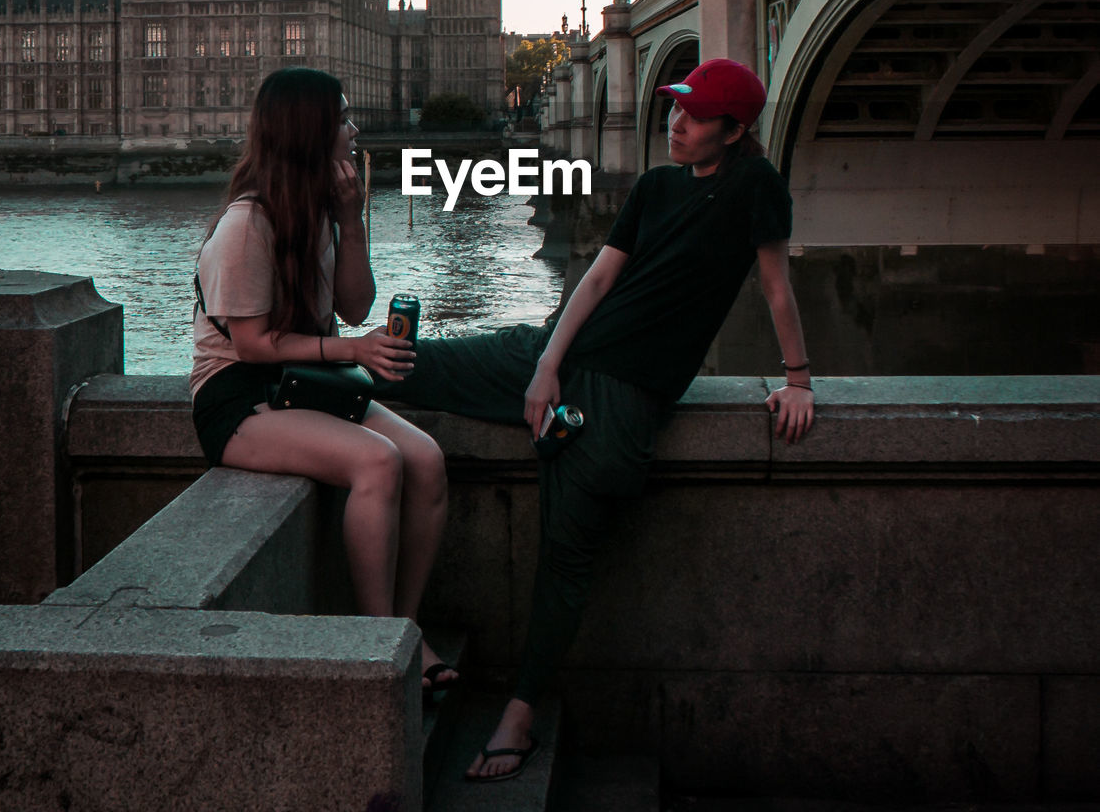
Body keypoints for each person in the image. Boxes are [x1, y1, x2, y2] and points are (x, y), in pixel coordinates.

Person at [385, 57, 814, 782]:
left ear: (733, 129)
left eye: (692, 114)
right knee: (413, 363)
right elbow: (597, 277)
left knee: (563, 561)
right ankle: (290, 373)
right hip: (553, 351)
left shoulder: (754, 187)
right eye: (673, 109)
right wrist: (548, 359)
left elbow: (776, 288)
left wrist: (797, 379)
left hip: (620, 395)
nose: (674, 122)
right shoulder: (652, 186)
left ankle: (519, 715)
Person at [190, 67, 453, 697]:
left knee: (428, 461)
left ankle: (406, 631)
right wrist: (354, 349)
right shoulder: (245, 227)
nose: (354, 129)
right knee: (379, 463)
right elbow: (251, 344)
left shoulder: (320, 212)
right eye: (342, 118)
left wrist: (354, 220)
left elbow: (357, 306)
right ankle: (376, 642)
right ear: (309, 132)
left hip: (305, 379)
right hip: (238, 395)